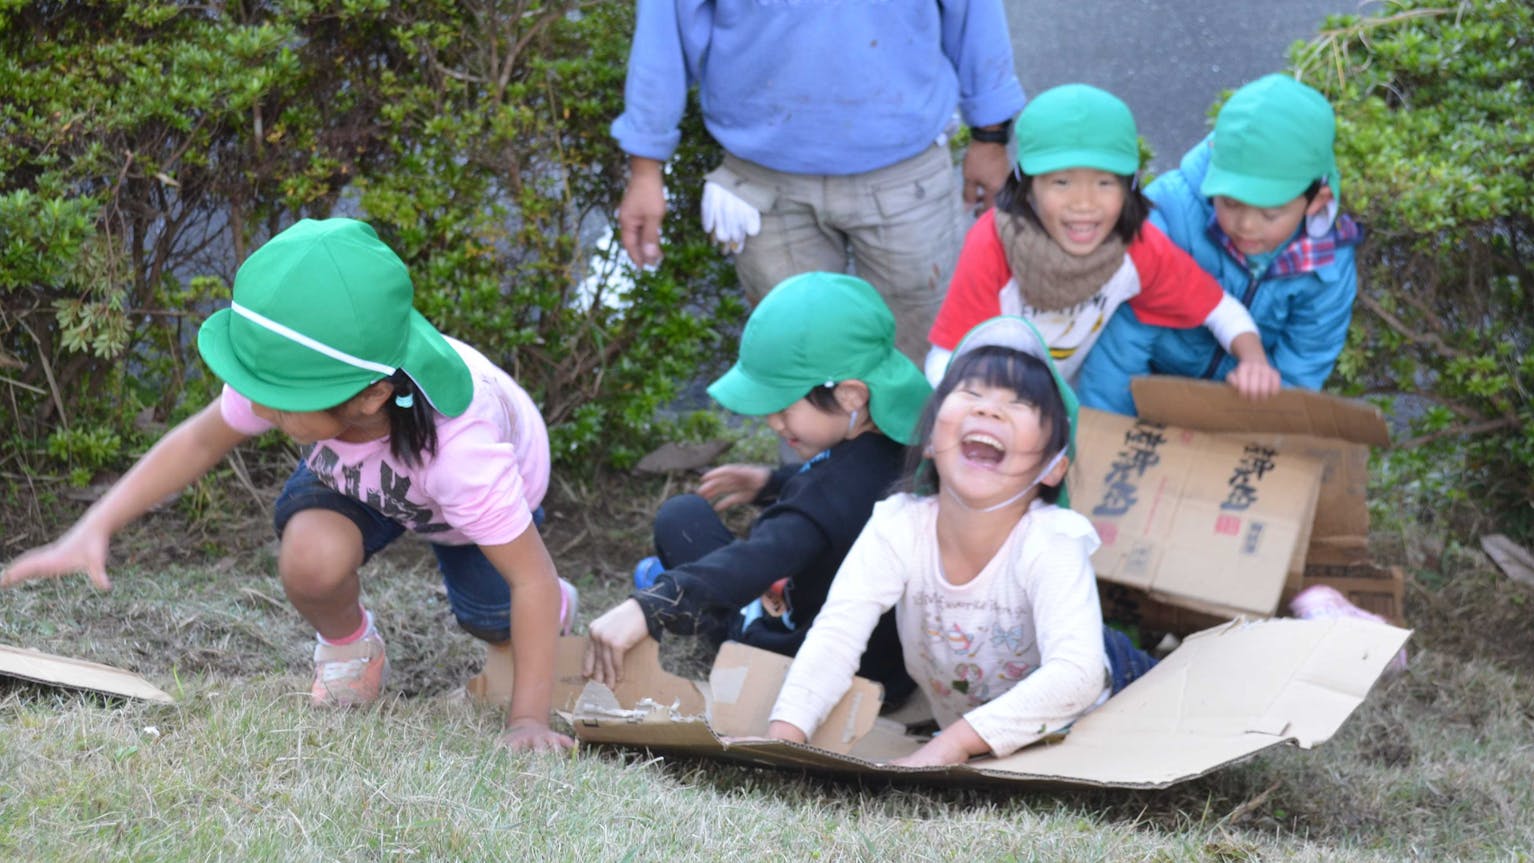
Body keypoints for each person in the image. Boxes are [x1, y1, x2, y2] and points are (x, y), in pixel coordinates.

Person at [0, 219, 574, 752]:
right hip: (361, 474)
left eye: (281, 396)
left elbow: (532, 579)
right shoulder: (303, 378)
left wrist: (528, 720)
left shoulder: (462, 454)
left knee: (498, 619)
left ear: (372, 393)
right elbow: (199, 441)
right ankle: (352, 649)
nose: (256, 403)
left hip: (465, 512)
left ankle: (549, 618)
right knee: (309, 559)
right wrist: (94, 526)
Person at [767, 316, 1155, 766]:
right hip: (982, 735)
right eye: (970, 392)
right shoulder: (899, 524)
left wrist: (944, 749)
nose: (988, 409)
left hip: (1102, 697)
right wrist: (781, 741)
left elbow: (1078, 676)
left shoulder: (1052, 539)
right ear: (931, 439)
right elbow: (836, 636)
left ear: (1053, 467)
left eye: (1021, 402)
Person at [582, 272, 931, 706]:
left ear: (850, 396)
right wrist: (770, 482)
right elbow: (842, 498)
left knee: (682, 518)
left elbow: (761, 557)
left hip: (806, 667)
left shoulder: (827, 491)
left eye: (782, 406)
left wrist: (656, 602)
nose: (772, 421)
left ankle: (705, 612)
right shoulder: (910, 446)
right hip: (893, 667)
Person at [610, 0, 1026, 363]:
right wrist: (645, 169)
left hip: (905, 176)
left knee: (926, 363)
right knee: (797, 372)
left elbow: (975, 16)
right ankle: (813, 459)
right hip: (764, 186)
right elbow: (663, 38)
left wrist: (989, 138)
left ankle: (918, 456)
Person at [924, 84, 1281, 405]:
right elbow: (945, 357)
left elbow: (1218, 307)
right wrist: (972, 410)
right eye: (1061, 182)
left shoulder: (1134, 247)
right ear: (1026, 185)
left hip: (1062, 405)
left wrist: (1254, 360)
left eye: (1105, 183)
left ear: (1130, 186)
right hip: (984, 399)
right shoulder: (994, 242)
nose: (1084, 204)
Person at [1076, 74, 1363, 415]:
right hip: (1143, 383)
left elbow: (1302, 366)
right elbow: (1123, 341)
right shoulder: (1168, 216)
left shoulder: (1327, 264)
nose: (1245, 226)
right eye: (1229, 203)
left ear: (1317, 201)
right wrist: (1102, 429)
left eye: (1270, 215)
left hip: (1236, 407)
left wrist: (1257, 427)